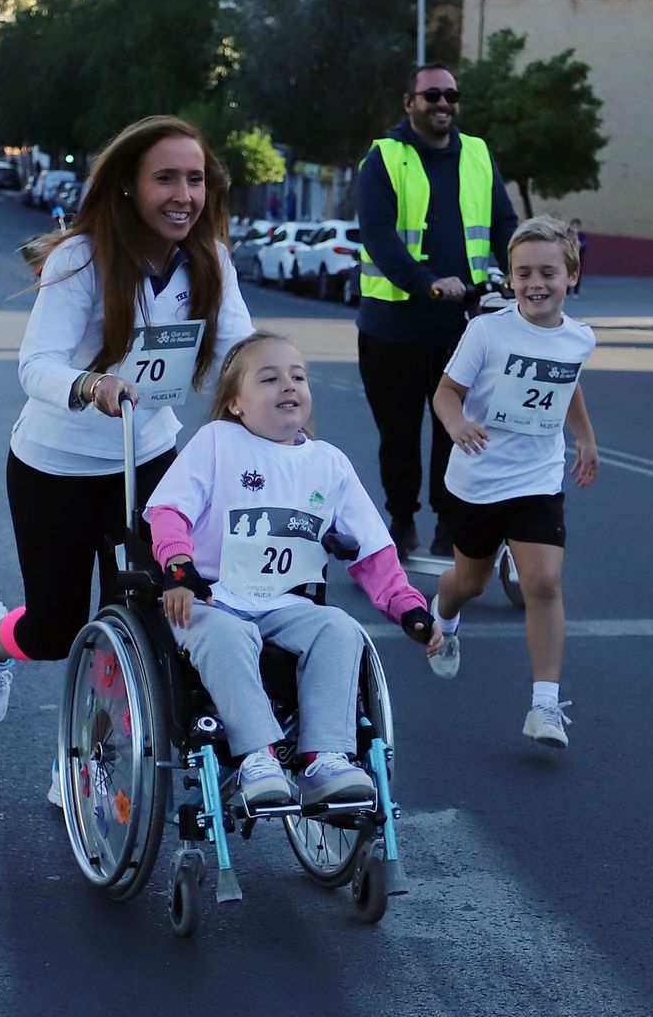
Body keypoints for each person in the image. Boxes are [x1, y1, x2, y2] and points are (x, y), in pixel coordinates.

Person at [0, 115, 256, 742]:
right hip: (57, 464)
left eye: (196, 180)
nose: (184, 195)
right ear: (126, 184)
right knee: (56, 629)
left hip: (150, 454)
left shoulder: (211, 260)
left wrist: (280, 392)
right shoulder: (81, 257)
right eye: (166, 179)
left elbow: (241, 352)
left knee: (154, 612)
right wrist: (91, 384)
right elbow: (36, 364)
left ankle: (90, 759)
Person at [144, 332, 443, 807]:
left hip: (286, 600)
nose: (288, 385)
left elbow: (372, 548)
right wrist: (178, 569)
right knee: (226, 634)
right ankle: (258, 756)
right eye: (269, 378)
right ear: (236, 403)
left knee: (339, 629)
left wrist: (408, 607)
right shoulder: (217, 441)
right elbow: (169, 511)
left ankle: (325, 758)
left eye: (298, 376)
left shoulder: (328, 462)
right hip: (212, 596)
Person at [427, 217, 600, 750]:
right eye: (523, 273)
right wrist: (457, 425)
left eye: (548, 272)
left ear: (571, 275)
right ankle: (444, 616)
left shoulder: (580, 338)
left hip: (536, 477)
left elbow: (564, 382)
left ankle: (545, 704)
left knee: (543, 583)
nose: (535, 283)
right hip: (477, 479)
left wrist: (586, 439)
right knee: (469, 582)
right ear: (510, 278)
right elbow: (445, 392)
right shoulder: (487, 330)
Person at [356, 62, 520, 559]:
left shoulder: (477, 153)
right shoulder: (385, 157)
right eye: (432, 95)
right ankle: (401, 520)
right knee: (399, 434)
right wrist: (426, 284)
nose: (443, 103)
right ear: (410, 103)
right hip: (393, 327)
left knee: (457, 429)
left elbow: (504, 222)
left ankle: (451, 523)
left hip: (462, 326)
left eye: (451, 94)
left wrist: (521, 272)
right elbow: (379, 236)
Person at [566, 218, 587, 297]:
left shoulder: (581, 235)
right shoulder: (567, 234)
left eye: (577, 227)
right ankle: (567, 291)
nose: (575, 229)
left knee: (577, 273)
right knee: (567, 273)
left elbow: (584, 244)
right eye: (573, 226)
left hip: (577, 258)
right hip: (568, 257)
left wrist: (581, 245)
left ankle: (576, 291)